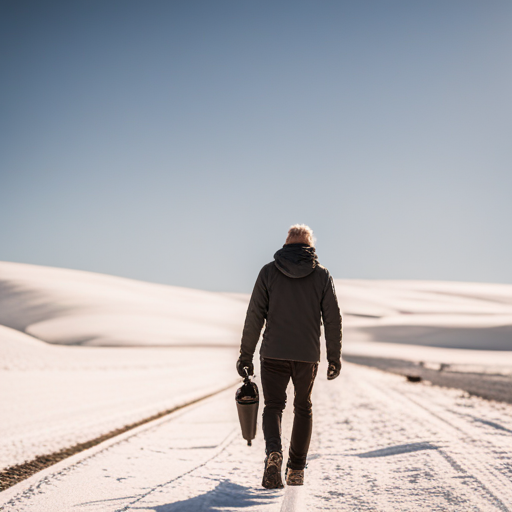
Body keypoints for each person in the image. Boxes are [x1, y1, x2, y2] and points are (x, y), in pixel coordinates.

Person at [237, 224, 342, 489]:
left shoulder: (269, 272)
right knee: (303, 406)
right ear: (310, 246)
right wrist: (333, 357)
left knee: (273, 406)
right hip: (307, 355)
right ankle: (296, 469)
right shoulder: (321, 275)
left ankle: (274, 452)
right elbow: (332, 319)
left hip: (273, 352)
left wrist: (246, 355)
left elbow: (254, 316)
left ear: (287, 243)